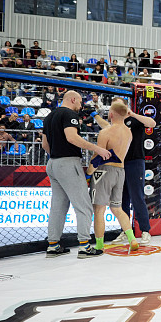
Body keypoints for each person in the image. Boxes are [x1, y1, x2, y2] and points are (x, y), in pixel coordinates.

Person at [42, 91, 112, 258]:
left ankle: (53, 245)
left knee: (58, 207)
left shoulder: (49, 116)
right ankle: (84, 246)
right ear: (73, 99)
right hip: (68, 163)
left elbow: (45, 144)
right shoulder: (69, 114)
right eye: (80, 102)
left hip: (53, 163)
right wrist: (97, 149)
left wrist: (57, 156)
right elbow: (72, 138)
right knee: (84, 206)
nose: (80, 106)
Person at [97, 98, 156, 245]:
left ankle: (145, 231)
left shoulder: (134, 120)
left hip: (135, 162)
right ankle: (126, 231)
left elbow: (152, 123)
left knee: (137, 196)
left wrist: (133, 114)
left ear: (125, 106)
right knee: (121, 198)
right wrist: (95, 116)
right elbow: (105, 127)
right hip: (119, 164)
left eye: (118, 104)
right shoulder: (114, 125)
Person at [87, 101, 139, 252]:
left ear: (110, 114)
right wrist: (96, 116)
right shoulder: (128, 132)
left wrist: (89, 173)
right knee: (117, 208)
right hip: (120, 171)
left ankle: (99, 245)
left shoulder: (106, 133)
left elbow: (98, 156)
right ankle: (132, 238)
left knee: (99, 209)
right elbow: (111, 127)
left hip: (104, 171)